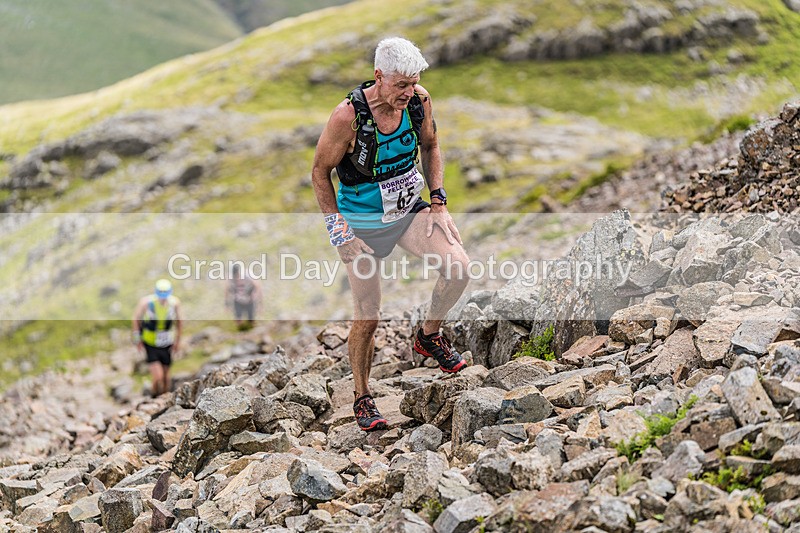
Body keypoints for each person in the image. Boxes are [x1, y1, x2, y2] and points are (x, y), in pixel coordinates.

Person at [312, 37, 470, 432]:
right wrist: (339, 229)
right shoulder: (347, 117)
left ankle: (429, 336)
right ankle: (362, 397)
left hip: (407, 210)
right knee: (368, 317)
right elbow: (319, 172)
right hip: (361, 221)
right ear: (378, 76)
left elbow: (432, 146)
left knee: (459, 267)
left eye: (413, 83)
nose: (408, 93)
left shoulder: (419, 101)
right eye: (400, 85)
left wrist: (438, 201)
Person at [132, 279, 182, 397]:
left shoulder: (174, 303)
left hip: (167, 343)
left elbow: (180, 322)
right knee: (158, 376)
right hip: (150, 343)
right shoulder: (146, 303)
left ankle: (164, 400)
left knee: (166, 377)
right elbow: (135, 319)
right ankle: (154, 396)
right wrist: (137, 339)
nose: (163, 298)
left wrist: (178, 341)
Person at [225, 264, 262, 330]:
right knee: (238, 319)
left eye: (237, 275)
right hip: (238, 300)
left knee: (251, 320)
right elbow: (227, 289)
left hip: (250, 299)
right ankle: (240, 332)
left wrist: (260, 303)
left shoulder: (247, 275)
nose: (236, 277)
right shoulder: (231, 277)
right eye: (235, 276)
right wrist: (226, 304)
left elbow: (258, 286)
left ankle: (252, 331)